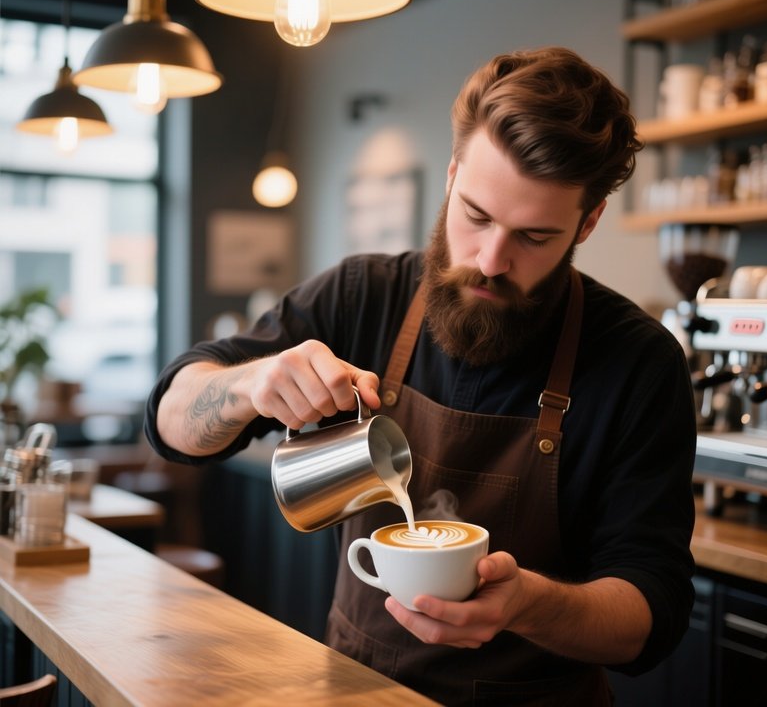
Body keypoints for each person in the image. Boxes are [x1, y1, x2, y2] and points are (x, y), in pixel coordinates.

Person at [145, 46, 696, 706]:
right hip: (354, 692)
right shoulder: (362, 296)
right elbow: (170, 424)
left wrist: (528, 605)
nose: (492, 260)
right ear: (452, 174)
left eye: (534, 237)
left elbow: (651, 615)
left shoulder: (638, 362)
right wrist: (247, 385)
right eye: (477, 215)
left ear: (588, 222)